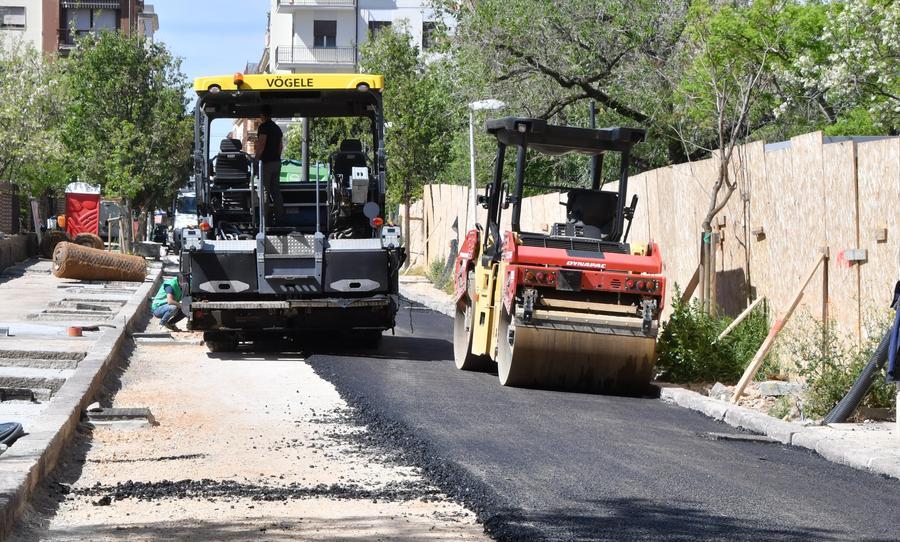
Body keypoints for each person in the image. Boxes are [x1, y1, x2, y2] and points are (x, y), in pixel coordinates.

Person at [255, 104, 284, 218]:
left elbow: (261, 144)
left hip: (266, 163)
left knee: (265, 190)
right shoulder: (277, 128)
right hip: (277, 162)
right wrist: (276, 157)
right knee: (276, 190)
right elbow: (280, 146)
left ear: (262, 115)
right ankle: (280, 216)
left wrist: (256, 159)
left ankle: (264, 218)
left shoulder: (264, 127)